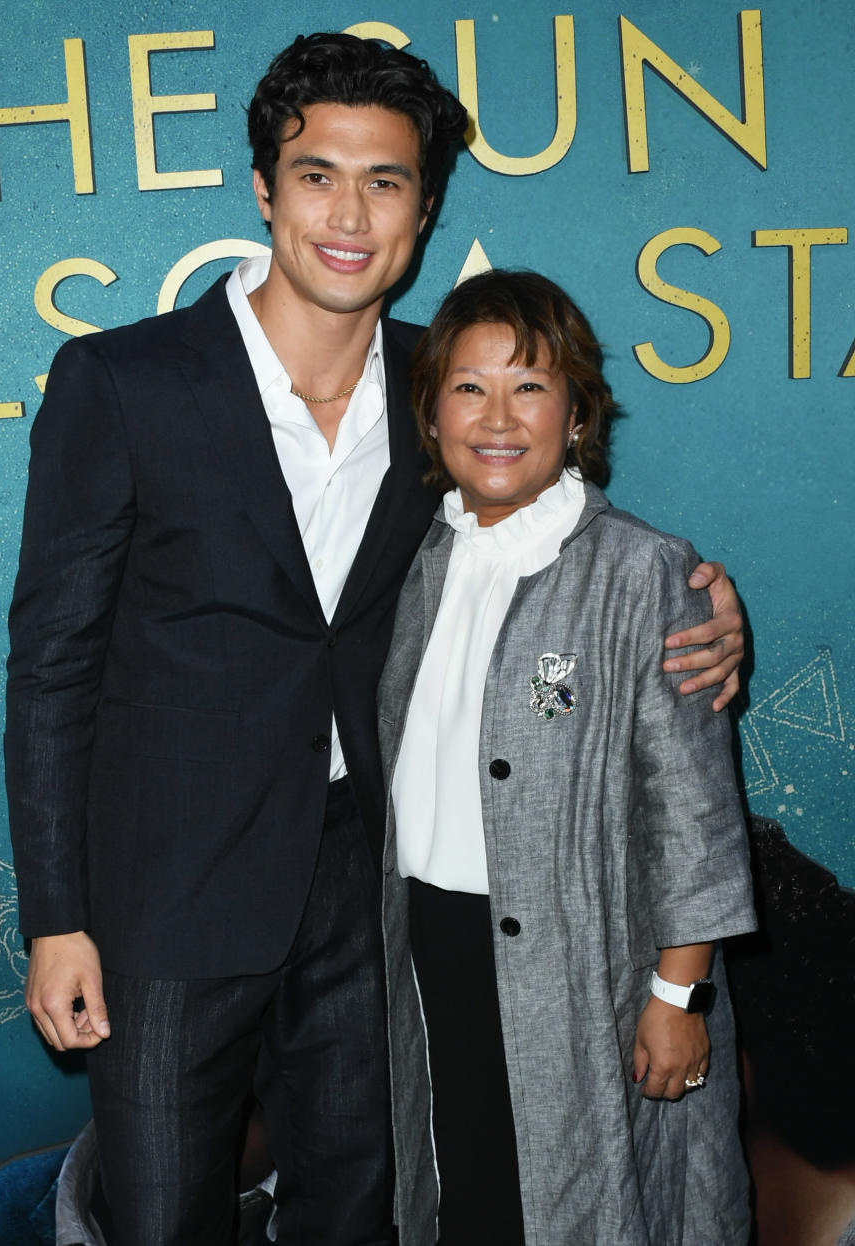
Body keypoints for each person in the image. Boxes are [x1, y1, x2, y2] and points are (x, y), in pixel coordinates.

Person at [4, 32, 745, 1246]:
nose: (349, 213)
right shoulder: (124, 382)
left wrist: (706, 600)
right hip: (167, 907)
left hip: (367, 894)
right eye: (317, 174)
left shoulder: (444, 392)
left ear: (425, 205)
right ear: (265, 189)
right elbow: (51, 670)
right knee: (160, 1219)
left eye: (386, 180)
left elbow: (569, 545)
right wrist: (56, 917)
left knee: (364, 1210)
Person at [378, 270, 758, 1246]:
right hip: (430, 952)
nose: (498, 417)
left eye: (530, 385)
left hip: (586, 963)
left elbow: (697, 812)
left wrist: (680, 993)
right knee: (465, 1190)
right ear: (432, 412)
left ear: (577, 411)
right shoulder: (419, 557)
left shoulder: (644, 572)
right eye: (468, 387)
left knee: (577, 1206)